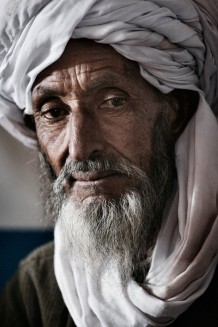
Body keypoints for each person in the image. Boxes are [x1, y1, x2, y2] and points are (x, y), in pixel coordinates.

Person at [0, 0, 218, 326]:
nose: (81, 148)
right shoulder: (36, 288)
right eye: (54, 112)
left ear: (176, 111)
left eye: (112, 101)